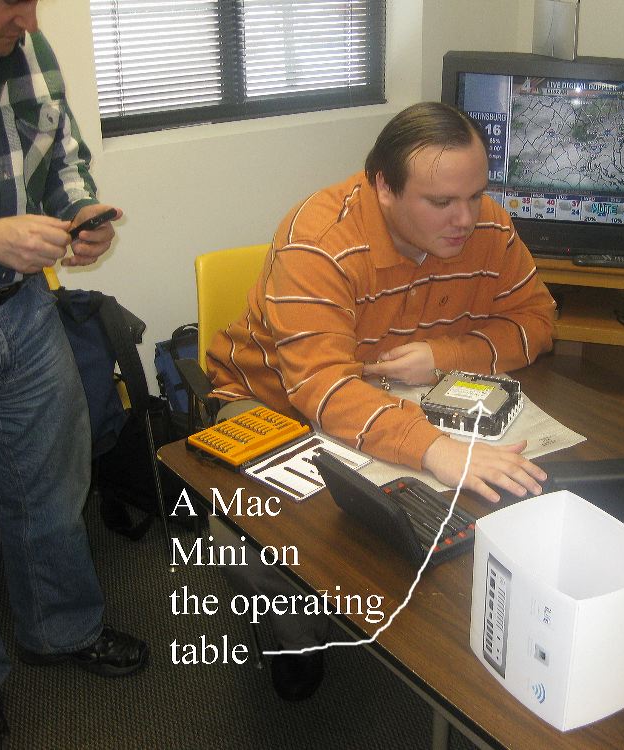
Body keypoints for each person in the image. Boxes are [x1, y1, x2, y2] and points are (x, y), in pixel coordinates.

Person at [206, 101, 555, 699]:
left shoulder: (487, 225)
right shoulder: (318, 241)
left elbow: (538, 321)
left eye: (476, 194)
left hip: (400, 393)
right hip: (269, 403)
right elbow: (321, 388)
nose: (467, 218)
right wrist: (438, 450)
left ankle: (426, 627)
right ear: (383, 188)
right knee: (308, 521)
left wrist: (445, 353)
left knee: (452, 506)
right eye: (442, 202)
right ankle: (289, 626)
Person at [0, 2, 148, 747]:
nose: (30, 19)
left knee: (50, 490)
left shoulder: (22, 44)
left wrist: (81, 212)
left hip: (26, 310)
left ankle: (60, 630)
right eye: (12, 2)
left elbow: (62, 152)